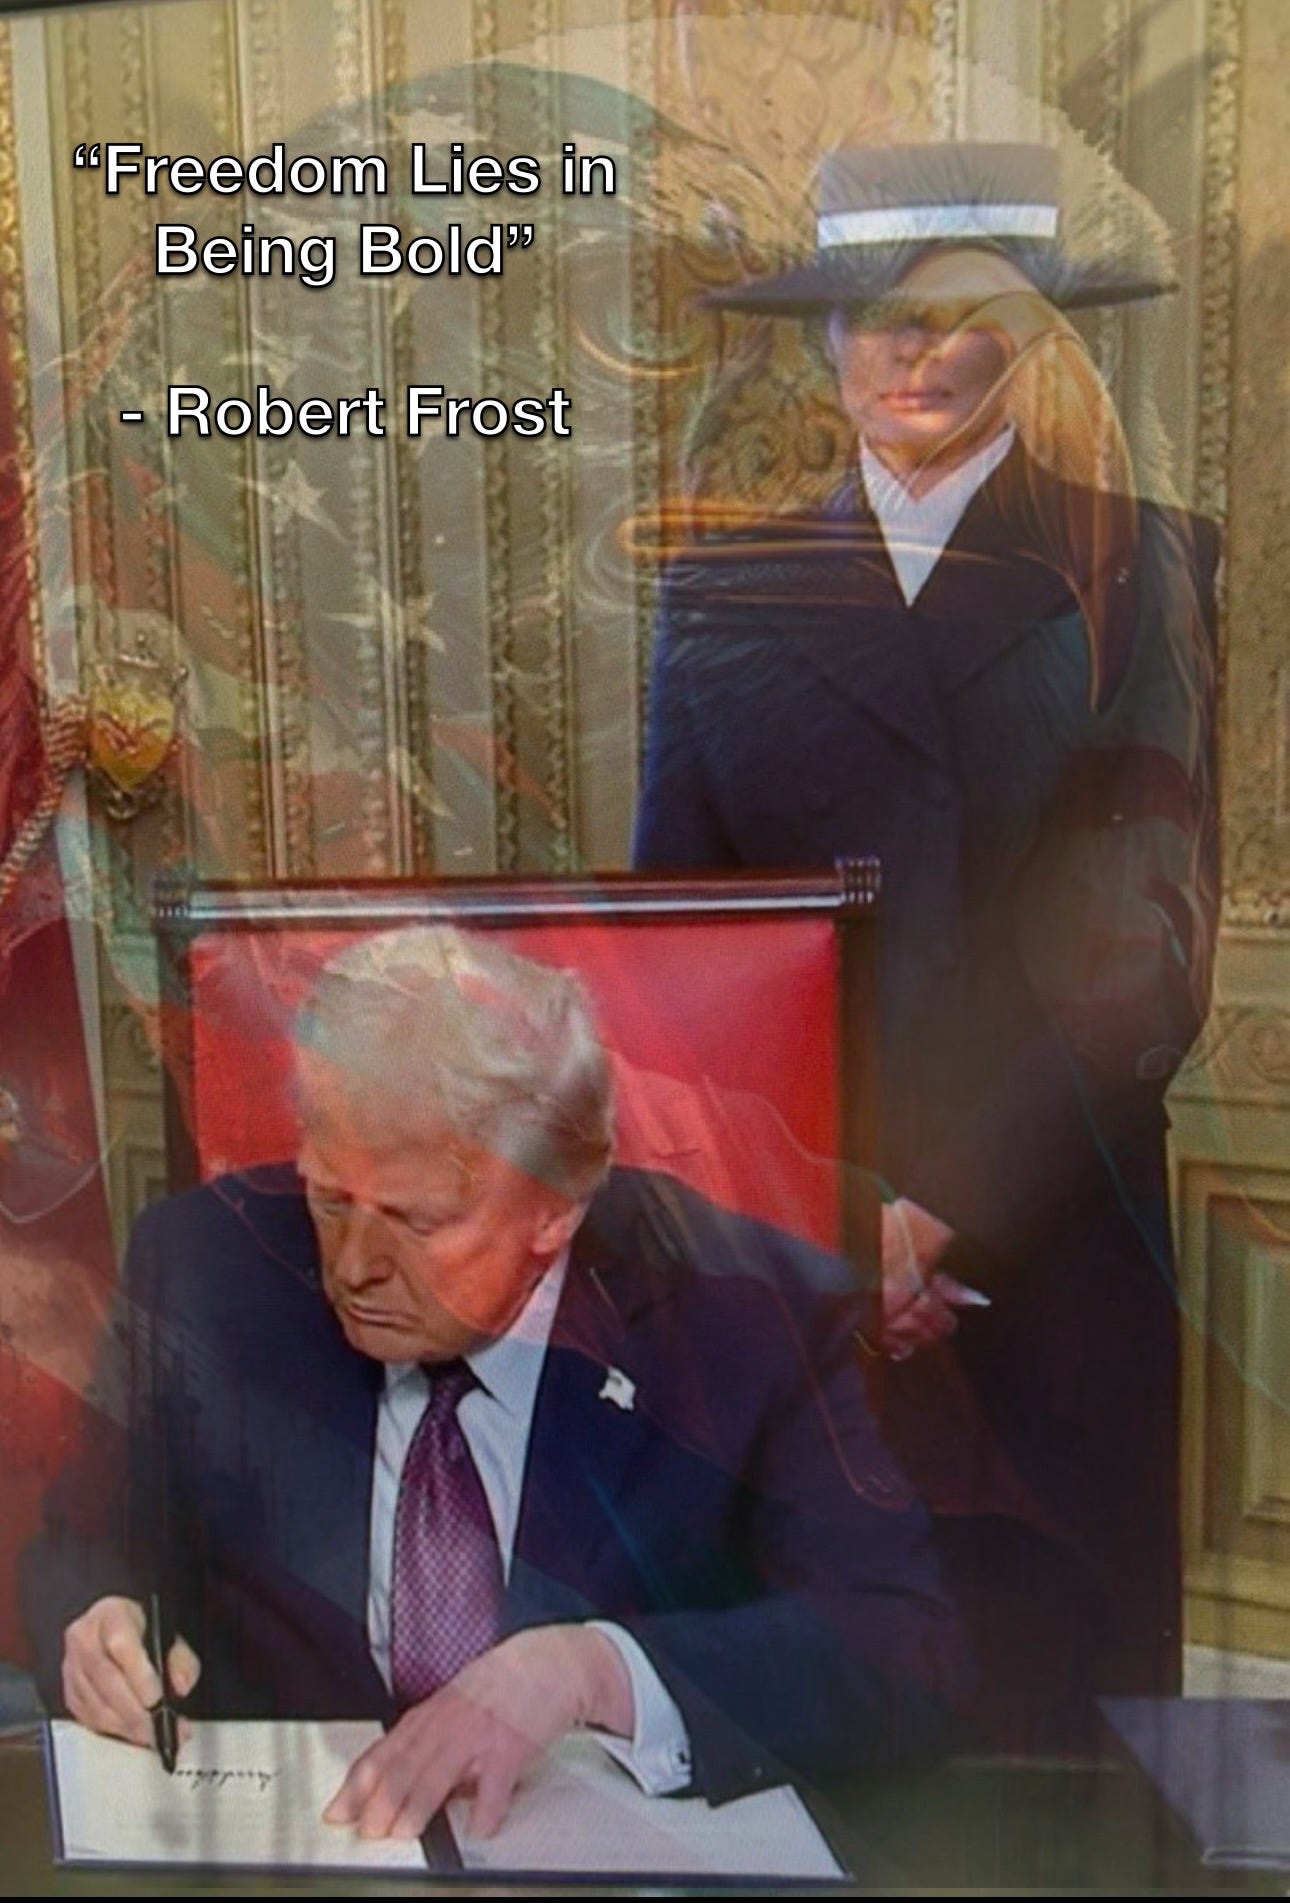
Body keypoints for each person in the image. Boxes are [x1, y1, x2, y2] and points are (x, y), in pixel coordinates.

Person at [633, 141, 1219, 1746]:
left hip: (1052, 1247)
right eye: (869, 315)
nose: (907, 351)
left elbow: (1139, 962)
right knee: (821, 1733)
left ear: (1021, 335)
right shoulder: (720, 589)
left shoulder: (1144, 565)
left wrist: (935, 1213)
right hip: (796, 1268)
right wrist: (834, 1224)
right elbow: (682, 955)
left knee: (1061, 1755)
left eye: (954, 315)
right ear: (823, 339)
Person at [25, 923, 964, 1840]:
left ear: (555, 1208)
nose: (353, 1265)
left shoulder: (744, 1316)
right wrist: (93, 1627)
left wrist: (594, 1670)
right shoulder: (202, 1266)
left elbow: (908, 1650)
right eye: (330, 1196)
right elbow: (81, 1550)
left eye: (419, 1221)